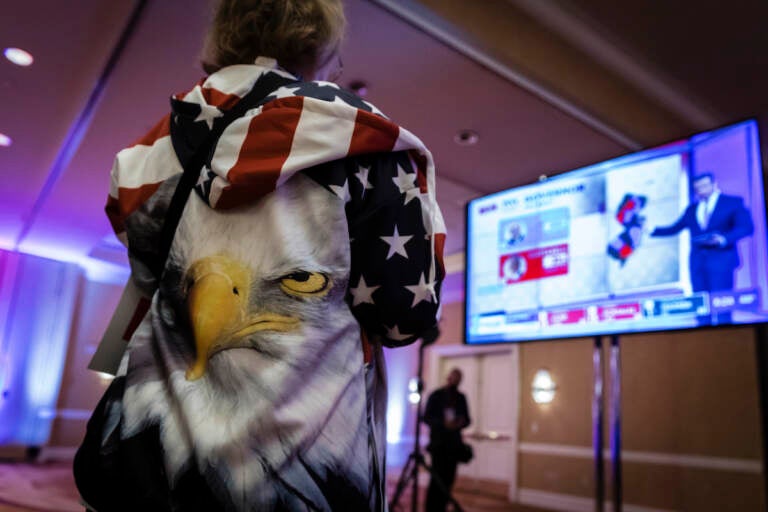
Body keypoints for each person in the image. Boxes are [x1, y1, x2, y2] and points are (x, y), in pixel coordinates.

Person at [73, 1, 446, 511]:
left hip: (142, 474)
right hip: (300, 474)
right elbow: (404, 320)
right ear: (321, 42)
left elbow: (142, 293)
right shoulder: (366, 140)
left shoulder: (142, 158)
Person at [651, 172, 753, 323]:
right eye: (697, 188)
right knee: (700, 307)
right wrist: (650, 231)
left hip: (721, 261)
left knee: (722, 305)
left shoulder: (732, 202)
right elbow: (674, 228)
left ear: (714, 184)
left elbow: (746, 227)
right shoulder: (691, 209)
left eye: (704, 186)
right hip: (697, 263)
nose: (701, 190)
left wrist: (723, 239)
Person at [423, 368, 471, 512]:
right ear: (448, 377)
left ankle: (442, 507)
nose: (455, 380)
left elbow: (468, 419)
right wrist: (443, 424)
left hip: (454, 447)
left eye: (458, 378)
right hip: (438, 446)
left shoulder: (461, 398)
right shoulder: (436, 396)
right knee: (436, 480)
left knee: (449, 481)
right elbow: (426, 417)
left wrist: (461, 422)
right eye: (453, 377)